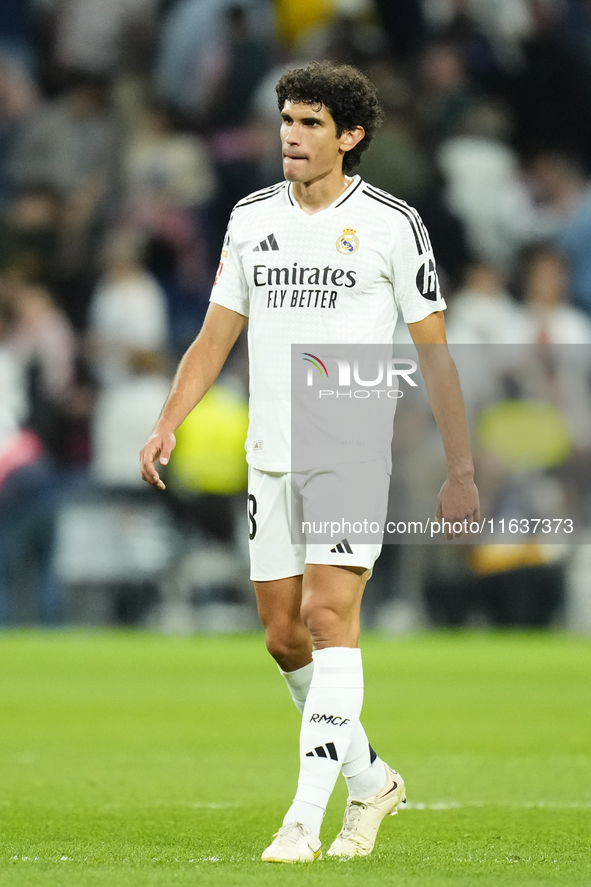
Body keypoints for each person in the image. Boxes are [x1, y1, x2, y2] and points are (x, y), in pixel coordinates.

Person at [140, 60, 479, 863]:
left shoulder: (393, 224)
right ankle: (372, 779)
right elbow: (215, 335)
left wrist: (459, 468)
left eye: (310, 123)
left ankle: (302, 815)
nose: (290, 135)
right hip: (271, 451)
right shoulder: (252, 217)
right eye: (287, 120)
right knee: (282, 635)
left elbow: (435, 353)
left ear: (349, 136)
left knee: (329, 620)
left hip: (350, 445)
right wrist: (168, 421)